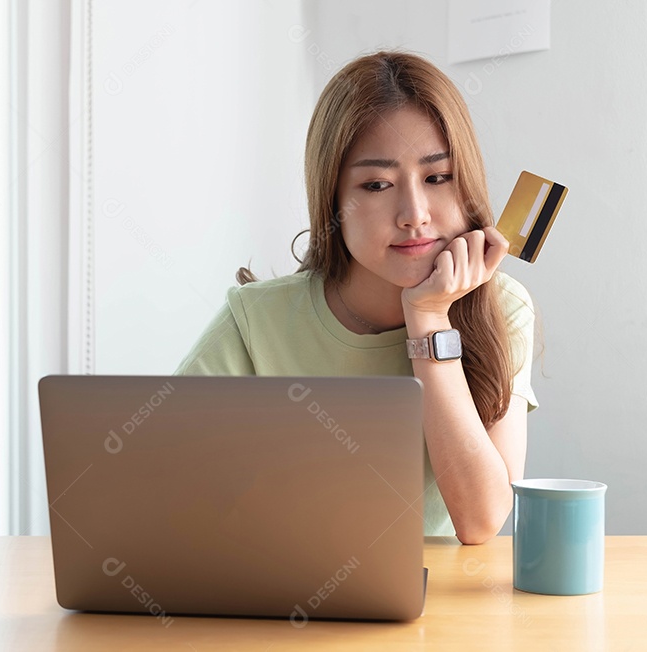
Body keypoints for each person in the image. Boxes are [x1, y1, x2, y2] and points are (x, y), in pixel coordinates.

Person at [175, 50, 537, 545]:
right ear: (332, 201)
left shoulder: (504, 308)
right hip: (284, 581)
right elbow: (161, 479)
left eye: (437, 178)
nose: (414, 214)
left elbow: (480, 521)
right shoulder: (257, 320)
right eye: (377, 184)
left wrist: (429, 319)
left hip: (438, 593)